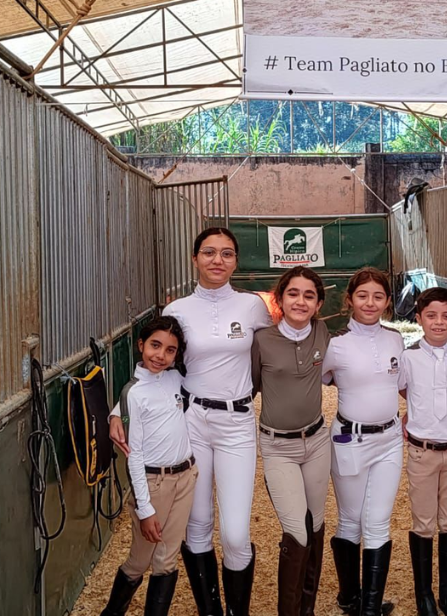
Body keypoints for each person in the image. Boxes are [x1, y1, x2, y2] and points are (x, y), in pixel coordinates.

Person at [110, 227, 273, 616]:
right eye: (209, 252)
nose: (218, 260)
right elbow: (158, 367)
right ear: (194, 258)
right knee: (197, 527)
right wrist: (121, 409)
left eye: (227, 253)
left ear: (236, 260)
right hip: (192, 420)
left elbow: (274, 358)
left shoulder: (253, 306)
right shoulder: (176, 310)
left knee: (235, 534)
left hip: (237, 422)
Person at [101, 316, 197, 616]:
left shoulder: (176, 378)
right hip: (154, 484)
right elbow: (135, 454)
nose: (161, 355)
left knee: (167, 559)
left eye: (170, 350)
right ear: (141, 344)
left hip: (185, 476)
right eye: (155, 345)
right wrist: (145, 509)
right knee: (140, 560)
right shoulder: (134, 394)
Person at [324, 267, 405, 616]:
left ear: (387, 302)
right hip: (349, 439)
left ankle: (370, 607)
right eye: (362, 295)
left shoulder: (395, 339)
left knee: (378, 520)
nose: (370, 302)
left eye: (378, 296)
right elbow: (318, 378)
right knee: (350, 519)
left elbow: (403, 383)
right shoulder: (335, 344)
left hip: (389, 439)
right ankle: (349, 596)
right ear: (349, 300)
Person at [251, 267, 332, 616]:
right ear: (280, 299)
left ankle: (307, 608)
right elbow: (247, 386)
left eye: (309, 295)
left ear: (318, 304)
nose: (300, 301)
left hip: (316, 441)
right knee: (296, 530)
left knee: (315, 524)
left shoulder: (323, 332)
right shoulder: (262, 340)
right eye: (293, 293)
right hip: (277, 446)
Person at [399, 287, 447, 616]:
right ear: (418, 319)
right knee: (423, 522)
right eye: (431, 316)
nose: (439, 323)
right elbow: (404, 388)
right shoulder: (409, 357)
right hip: (422, 452)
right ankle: (424, 596)